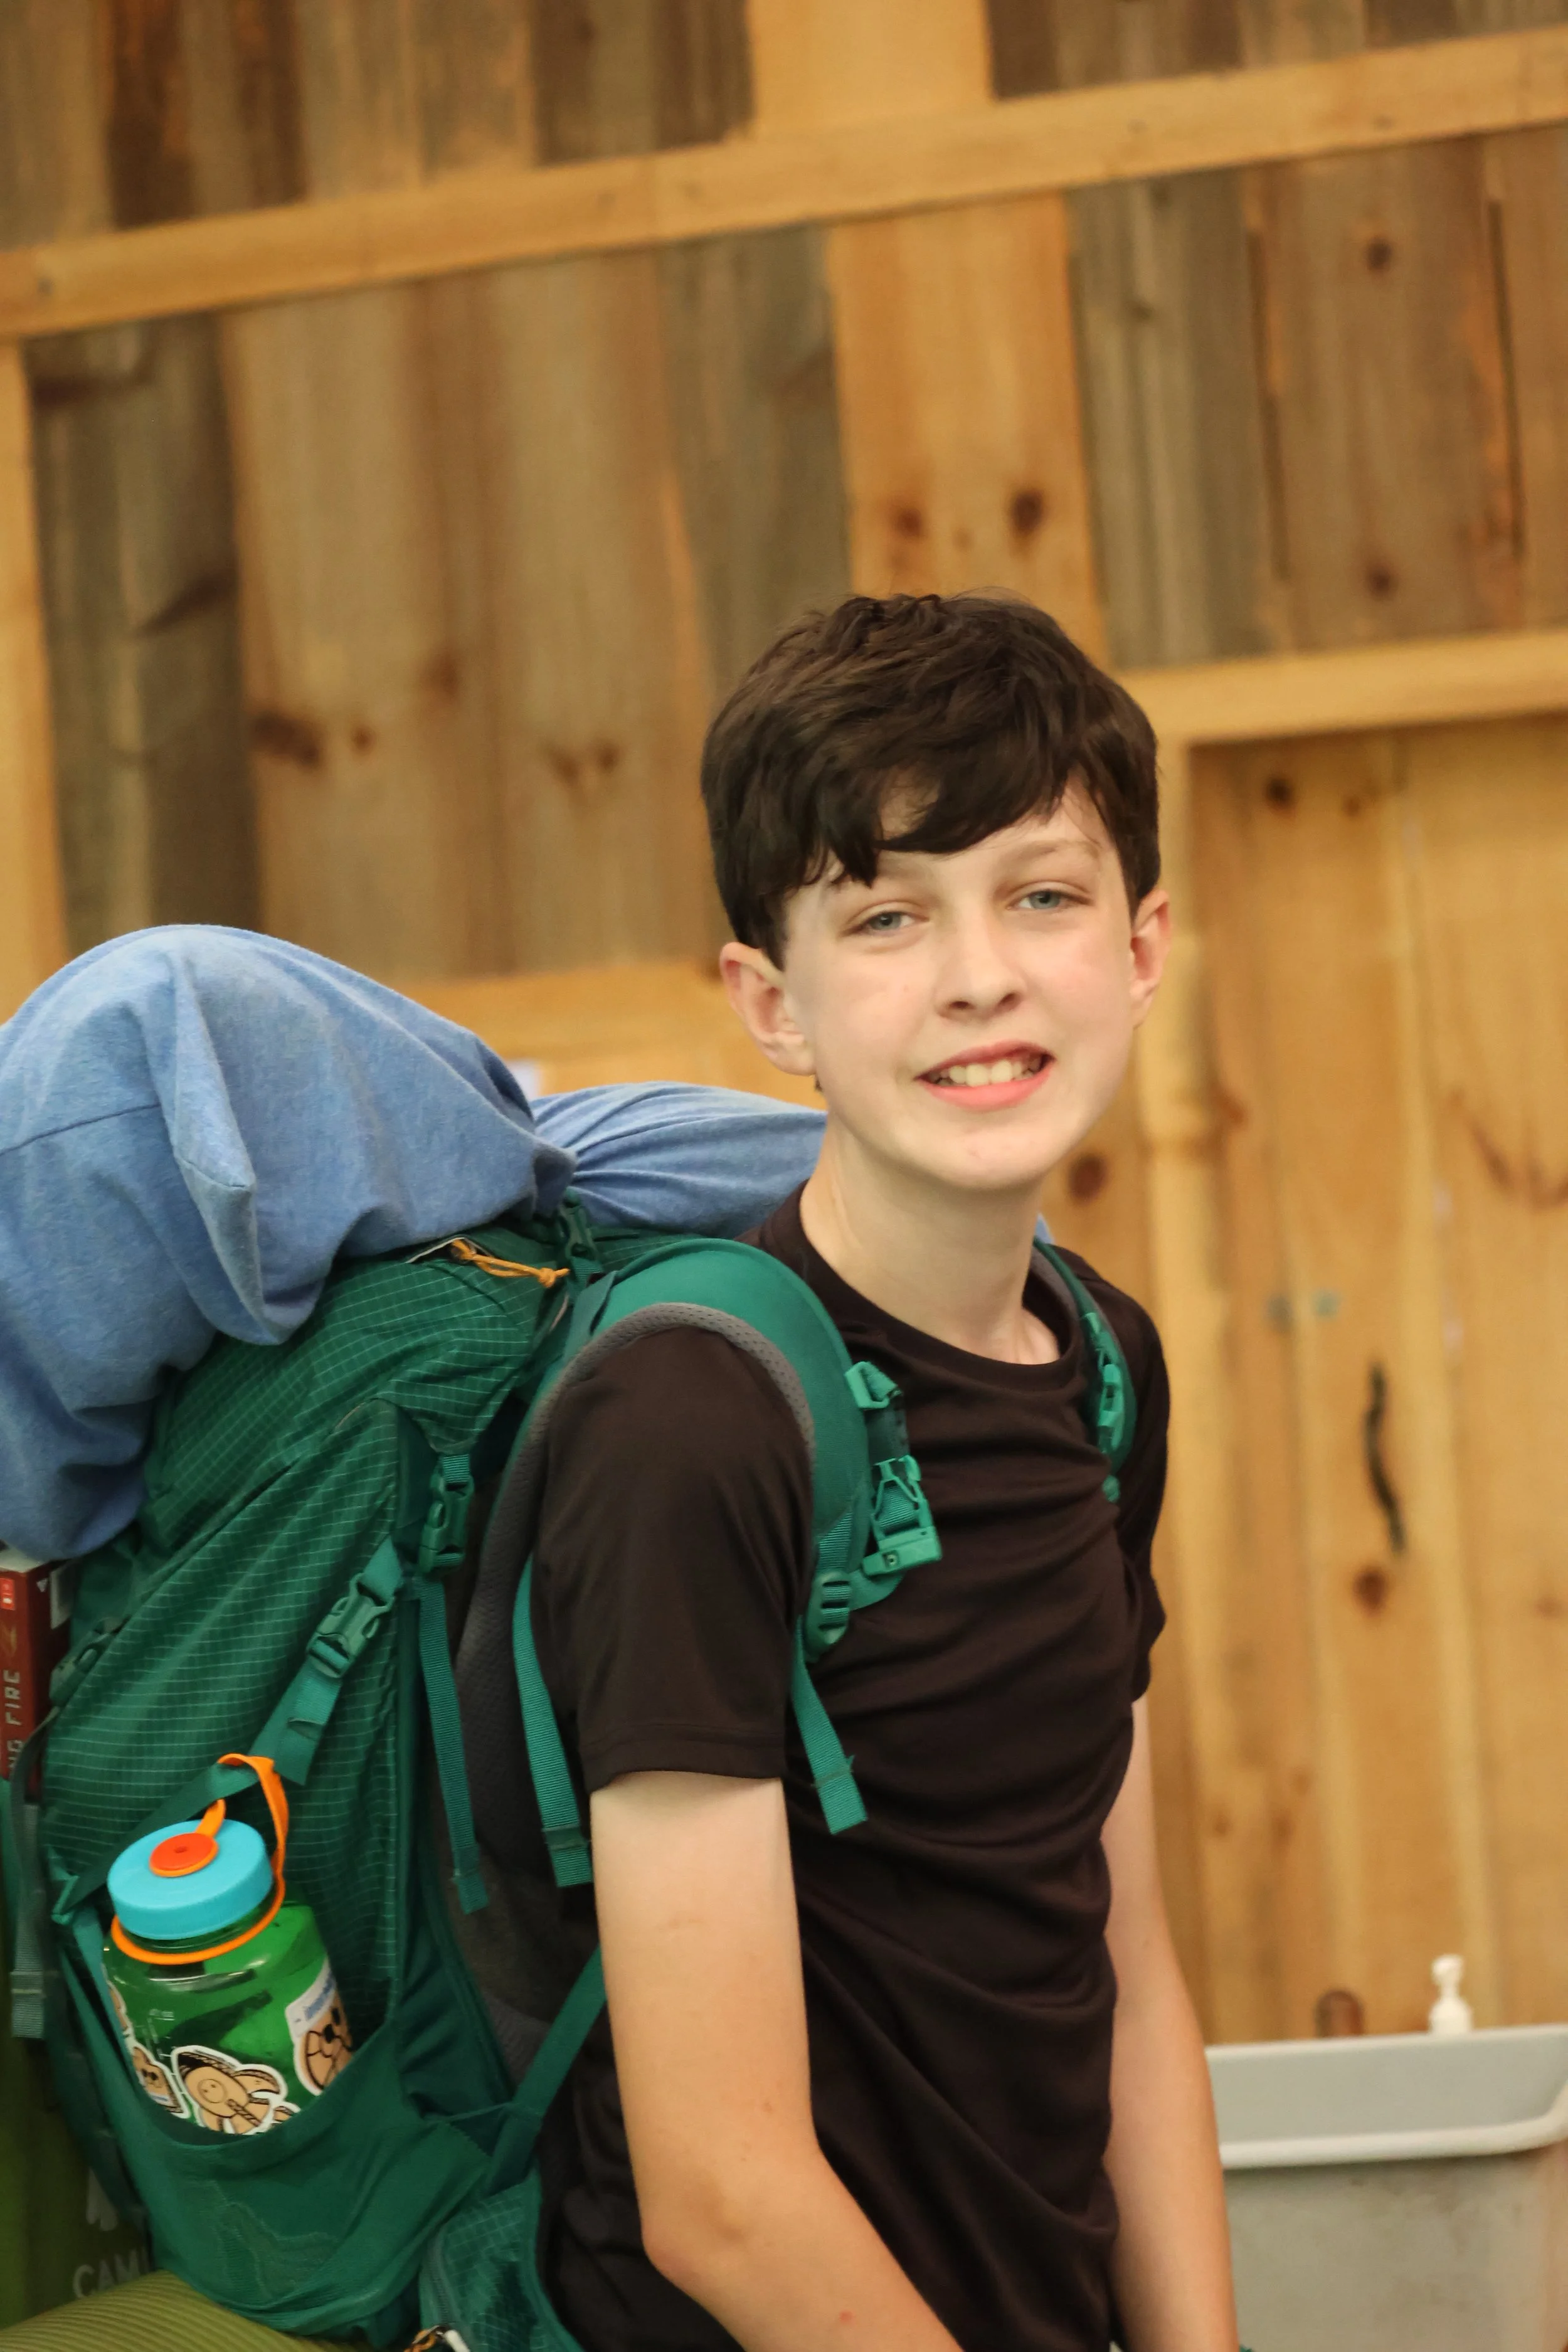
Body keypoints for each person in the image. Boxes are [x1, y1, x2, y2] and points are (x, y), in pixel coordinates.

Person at [514, 593, 1237, 2351]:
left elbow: (1123, 1961)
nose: (980, 973)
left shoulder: (1100, 1361)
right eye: (887, 914)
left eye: (1040, 895)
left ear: (1141, 946)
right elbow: (720, 2190)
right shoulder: (692, 1422)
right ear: (772, 1000)